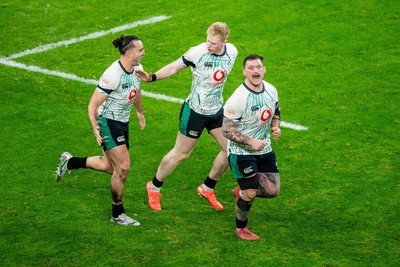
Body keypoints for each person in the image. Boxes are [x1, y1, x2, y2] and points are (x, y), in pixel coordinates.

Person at [135, 22, 238, 211]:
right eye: (208, 40)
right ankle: (154, 187)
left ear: (225, 41)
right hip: (195, 112)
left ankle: (207, 188)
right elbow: (174, 67)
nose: (209, 45)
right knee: (181, 154)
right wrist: (152, 77)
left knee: (231, 149)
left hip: (216, 111)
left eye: (214, 43)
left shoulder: (232, 52)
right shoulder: (197, 53)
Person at [55, 35, 146, 226]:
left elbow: (136, 90)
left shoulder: (137, 68)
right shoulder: (112, 75)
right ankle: (117, 213)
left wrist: (139, 111)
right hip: (108, 122)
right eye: (140, 50)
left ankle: (70, 162)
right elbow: (92, 106)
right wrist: (95, 127)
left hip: (122, 121)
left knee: (109, 166)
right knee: (123, 168)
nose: (143, 53)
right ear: (128, 52)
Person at [222, 54, 282, 240]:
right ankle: (241, 228)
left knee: (272, 191)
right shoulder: (238, 99)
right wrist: (250, 141)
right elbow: (226, 130)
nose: (255, 71)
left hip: (264, 149)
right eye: (251, 68)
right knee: (250, 192)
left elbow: (276, 109)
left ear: (264, 69)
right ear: (244, 72)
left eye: (258, 67)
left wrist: (275, 126)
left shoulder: (271, 90)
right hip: (241, 152)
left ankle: (239, 192)